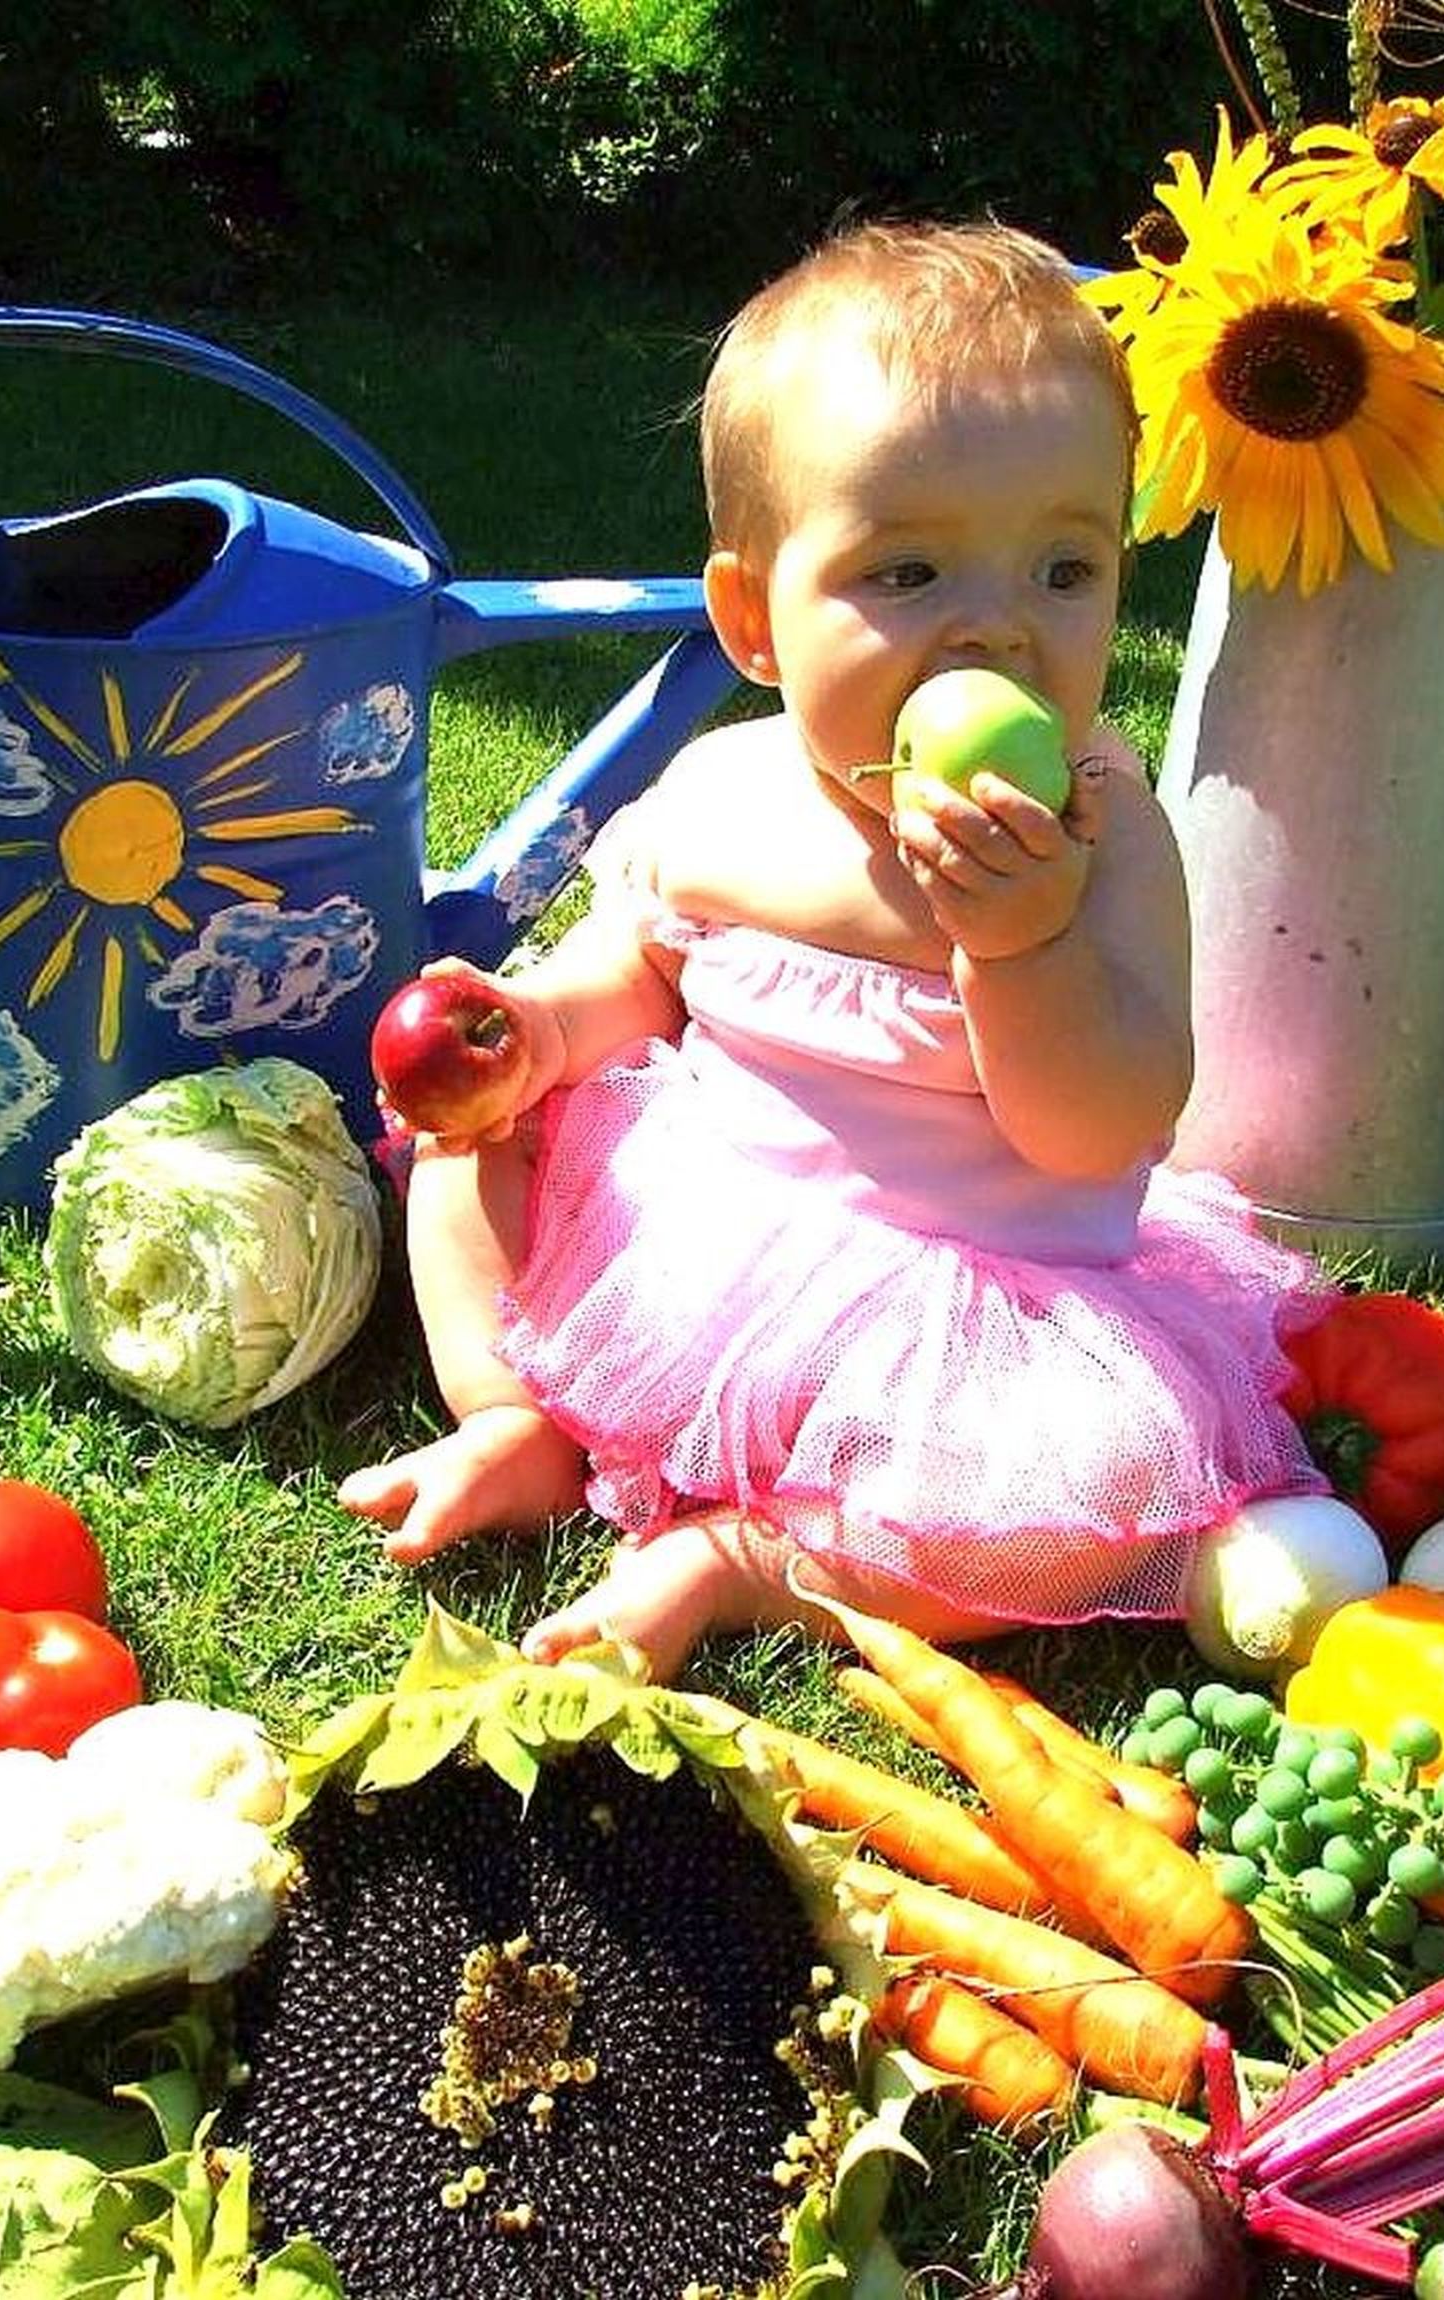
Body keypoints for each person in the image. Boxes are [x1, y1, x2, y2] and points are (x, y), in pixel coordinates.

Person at [340, 217, 1327, 1678]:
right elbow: (645, 969)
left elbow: (1101, 1127)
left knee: (1086, 1511)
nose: (997, 633)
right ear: (752, 618)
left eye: (1065, 570)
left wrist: (1024, 944)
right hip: (704, 1238)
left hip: (984, 1304)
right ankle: (517, 1419)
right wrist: (541, 1032)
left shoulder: (1109, 834)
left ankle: (753, 1565)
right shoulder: (727, 788)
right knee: (477, 1151)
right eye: (912, 574)